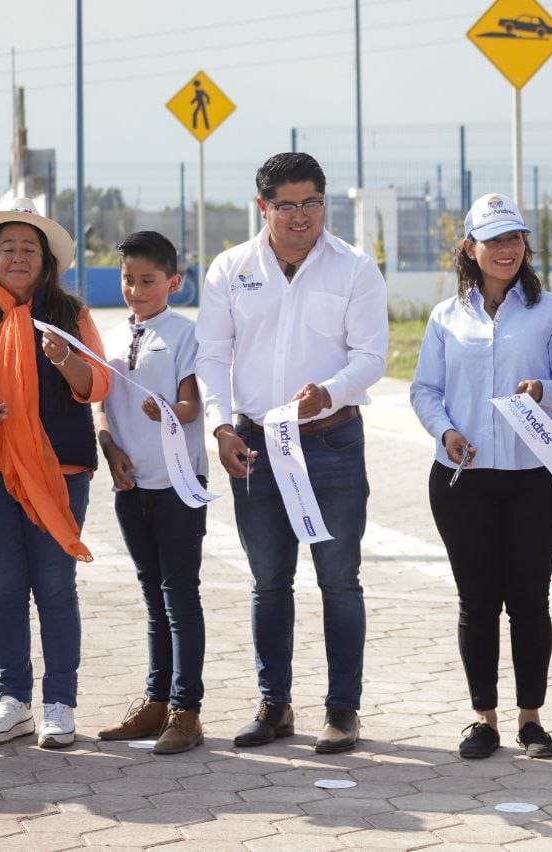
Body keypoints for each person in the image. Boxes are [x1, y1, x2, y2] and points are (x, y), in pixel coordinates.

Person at [196, 153, 388, 754]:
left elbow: (372, 357)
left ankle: (342, 710)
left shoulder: (354, 266)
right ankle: (274, 706)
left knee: (339, 580)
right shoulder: (231, 268)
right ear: (264, 207)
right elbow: (209, 356)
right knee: (269, 582)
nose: (301, 216)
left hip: (330, 443)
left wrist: (327, 392)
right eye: (287, 205)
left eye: (311, 203)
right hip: (253, 446)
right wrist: (222, 428)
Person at [410, 194, 552, 760]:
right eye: (494, 240)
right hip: (464, 477)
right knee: (477, 599)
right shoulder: (445, 316)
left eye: (515, 239)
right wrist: (444, 431)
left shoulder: (550, 311)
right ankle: (482, 718)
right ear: (470, 247)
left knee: (529, 598)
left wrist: (543, 390)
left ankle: (532, 719)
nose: (507, 250)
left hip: (537, 475)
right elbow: (424, 390)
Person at [0, 199, 111, 748]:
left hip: (59, 468)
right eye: (7, 248)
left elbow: (97, 385)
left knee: (55, 587)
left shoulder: (70, 314)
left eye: (28, 249)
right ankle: (13, 701)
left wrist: (63, 358)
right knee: (4, 589)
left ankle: (60, 701)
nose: (17, 257)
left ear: (45, 260)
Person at [95, 231, 208, 754]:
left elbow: (192, 405)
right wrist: (108, 447)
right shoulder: (111, 337)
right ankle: (155, 701)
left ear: (174, 282)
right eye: (128, 280)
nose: (136, 290)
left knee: (179, 595)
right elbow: (100, 402)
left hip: (178, 484)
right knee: (151, 596)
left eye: (148, 280)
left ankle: (187, 710)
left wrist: (168, 410)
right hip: (130, 484)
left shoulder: (185, 333)